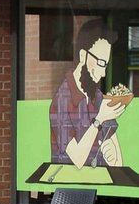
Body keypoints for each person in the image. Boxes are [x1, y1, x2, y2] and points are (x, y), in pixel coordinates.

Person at [50, 19, 125, 169]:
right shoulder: (61, 101)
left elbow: (118, 162)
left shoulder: (97, 97)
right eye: (100, 63)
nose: (103, 73)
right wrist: (99, 120)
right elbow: (77, 160)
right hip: (71, 188)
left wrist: (113, 157)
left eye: (106, 64)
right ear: (83, 56)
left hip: (102, 187)